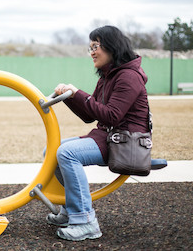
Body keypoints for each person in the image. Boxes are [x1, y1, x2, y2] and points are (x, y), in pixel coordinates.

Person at [46, 25, 150, 241]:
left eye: (96, 46)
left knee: (67, 153)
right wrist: (70, 97)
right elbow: (90, 116)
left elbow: (112, 116)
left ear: (113, 47)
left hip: (124, 142)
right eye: (90, 47)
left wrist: (78, 94)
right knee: (53, 149)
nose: (92, 52)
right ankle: (69, 210)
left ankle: (85, 222)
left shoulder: (128, 76)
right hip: (108, 137)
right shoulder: (107, 77)